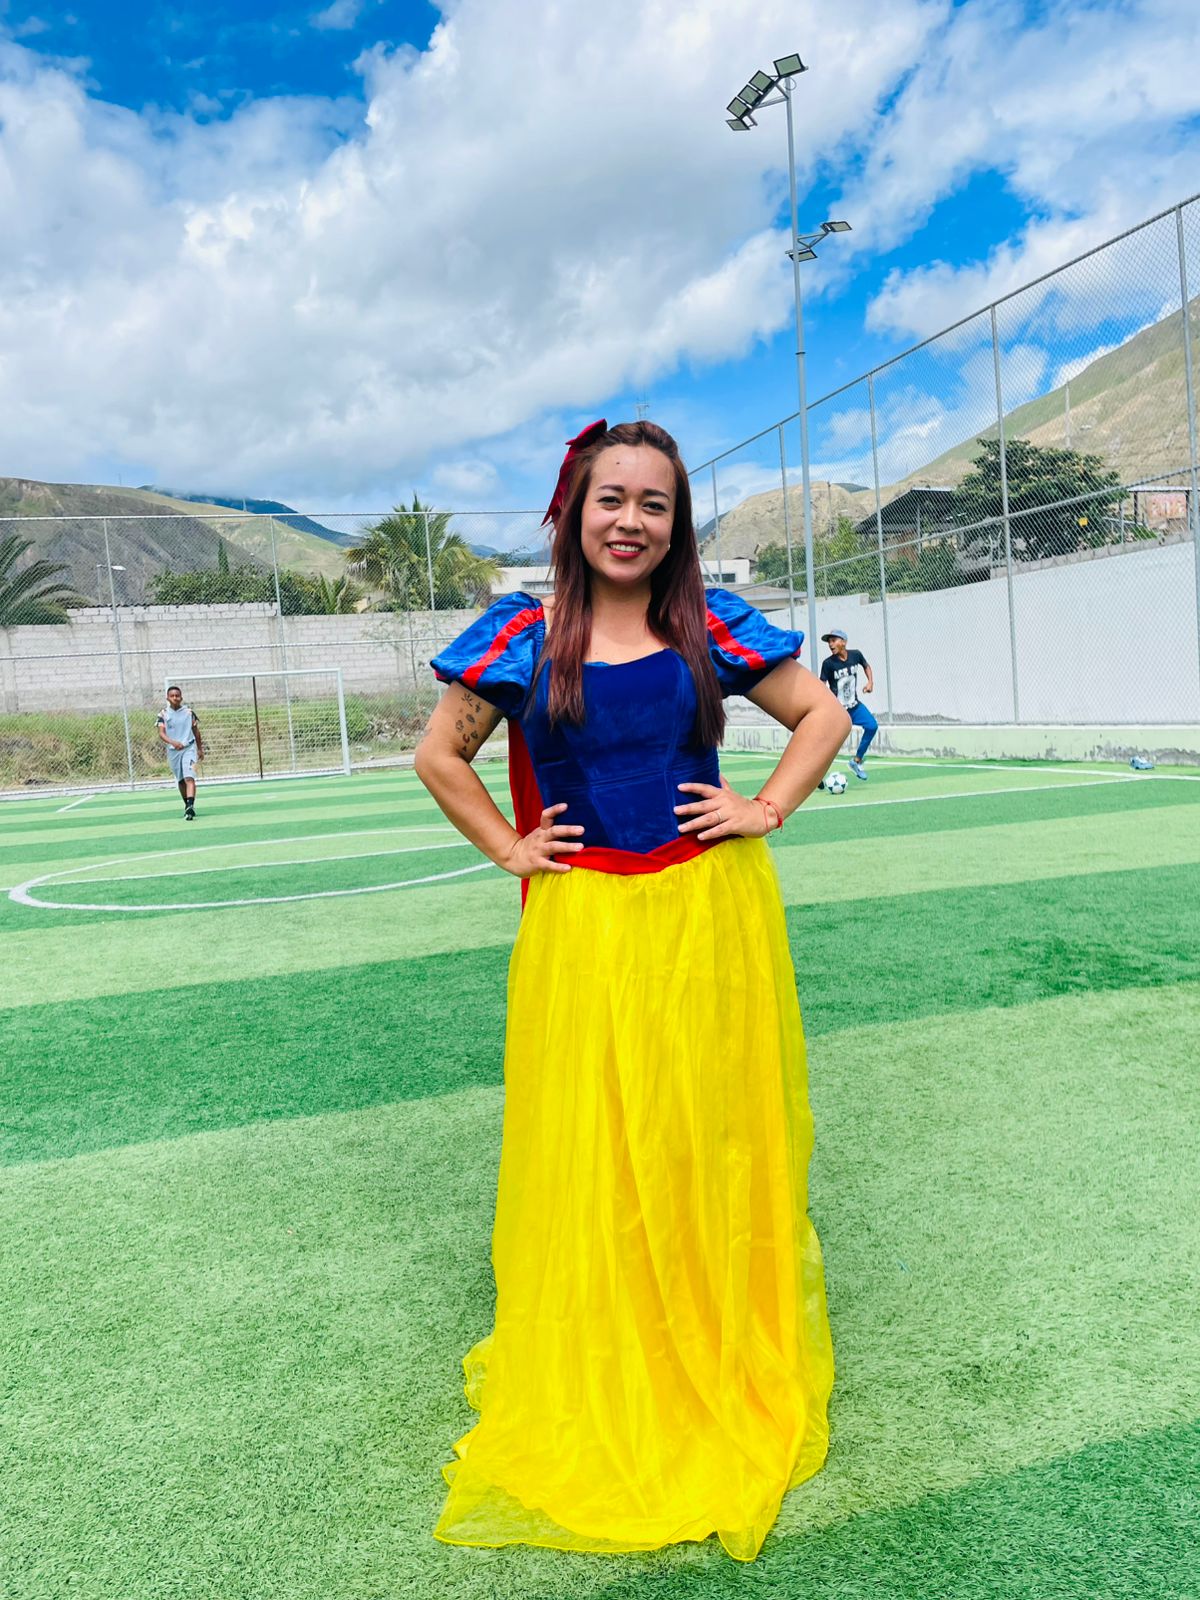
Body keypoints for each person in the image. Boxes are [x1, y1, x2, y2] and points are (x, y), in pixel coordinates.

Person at [415, 420, 850, 1564]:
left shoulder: (708, 623)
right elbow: (439, 758)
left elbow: (824, 716)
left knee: (703, 1129)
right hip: (587, 927)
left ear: (677, 523)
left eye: (655, 503)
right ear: (573, 510)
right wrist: (509, 847)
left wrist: (764, 805)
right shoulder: (523, 636)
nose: (631, 521)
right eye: (612, 498)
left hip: (709, 916)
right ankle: (622, 1347)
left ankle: (710, 1334)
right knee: (603, 1138)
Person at [819, 629, 876, 780]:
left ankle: (856, 762)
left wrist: (870, 682)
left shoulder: (856, 655)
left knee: (872, 726)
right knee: (830, 744)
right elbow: (821, 684)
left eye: (833, 640)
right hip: (837, 712)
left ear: (843, 642)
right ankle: (816, 774)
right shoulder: (828, 664)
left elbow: (866, 666)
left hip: (854, 706)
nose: (830, 644)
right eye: (829, 642)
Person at [156, 684, 203, 819]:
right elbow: (161, 733)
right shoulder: (163, 714)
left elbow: (196, 732)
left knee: (189, 777)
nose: (175, 698)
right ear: (167, 698)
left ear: (181, 697)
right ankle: (187, 805)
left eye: (177, 696)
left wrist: (200, 749)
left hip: (189, 748)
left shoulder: (189, 713)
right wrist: (173, 742)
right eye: (172, 696)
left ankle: (191, 805)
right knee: (181, 780)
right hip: (173, 751)